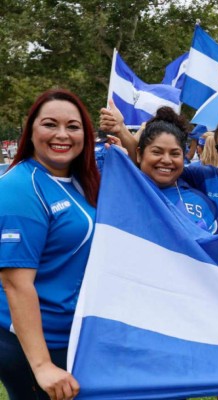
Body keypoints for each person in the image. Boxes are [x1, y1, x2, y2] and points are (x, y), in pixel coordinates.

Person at [0, 89, 101, 400]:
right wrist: (42, 366)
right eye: (49, 124)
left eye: (73, 126)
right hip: (34, 345)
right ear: (31, 131)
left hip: (71, 337)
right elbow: (16, 284)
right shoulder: (20, 187)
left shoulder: (78, 181)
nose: (62, 134)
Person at [136, 107, 218, 232]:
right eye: (157, 152)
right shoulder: (118, 193)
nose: (167, 160)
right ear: (139, 154)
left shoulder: (202, 203)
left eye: (175, 154)